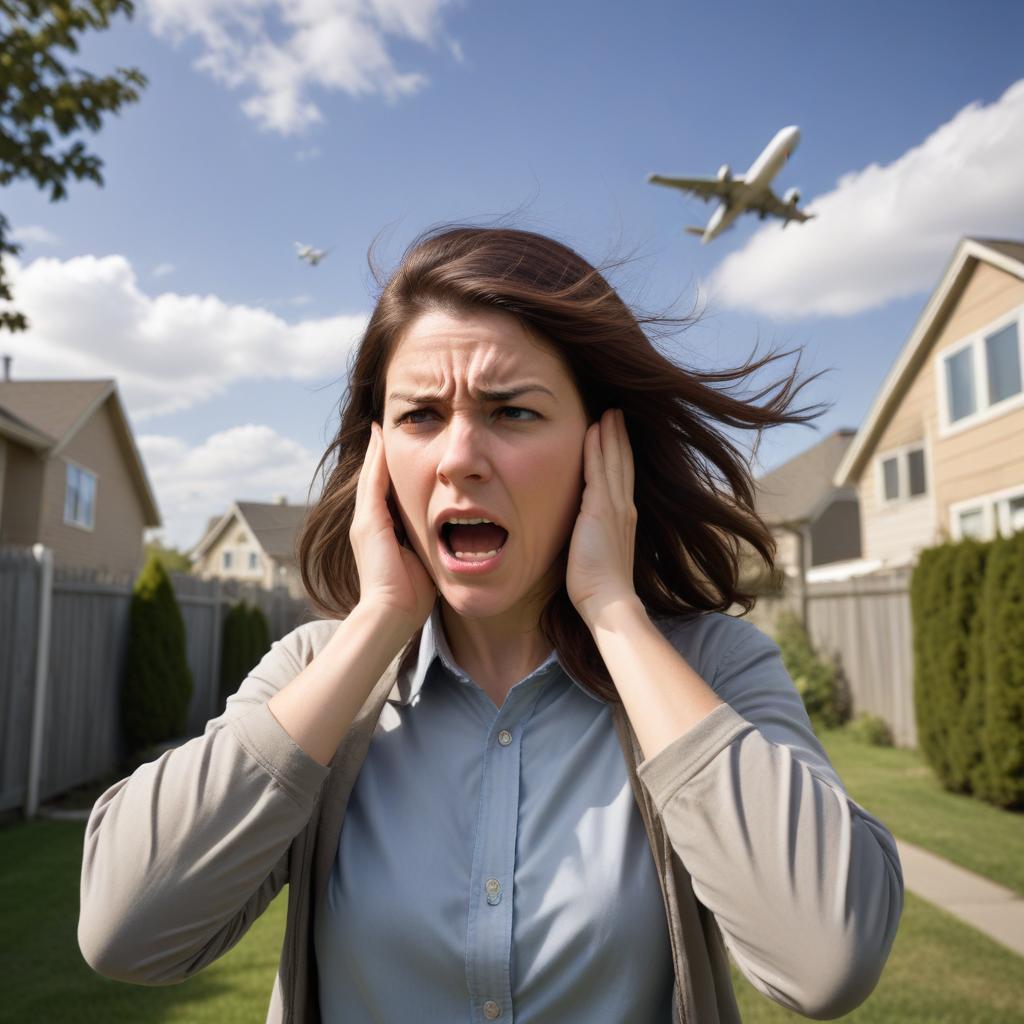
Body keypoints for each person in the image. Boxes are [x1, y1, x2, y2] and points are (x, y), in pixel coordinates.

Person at [78, 225, 904, 1023]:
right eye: (420, 416)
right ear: (377, 462)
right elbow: (124, 932)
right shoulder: (314, 675)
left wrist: (613, 611)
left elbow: (825, 961)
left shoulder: (710, 668)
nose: (458, 456)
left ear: (601, 446)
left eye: (512, 412)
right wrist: (378, 622)